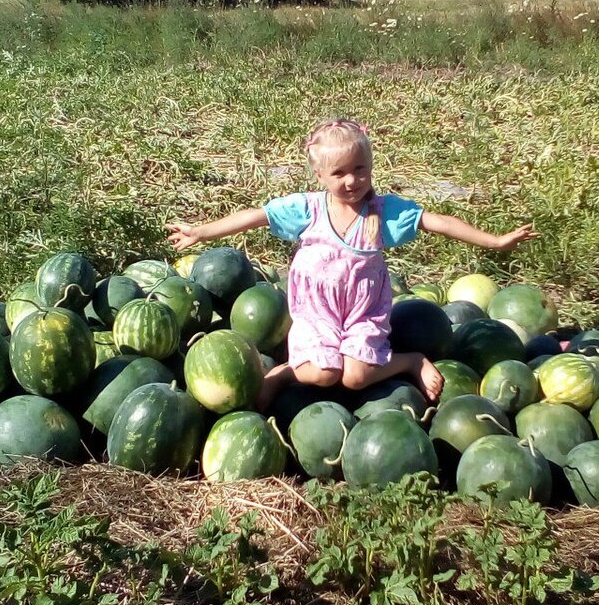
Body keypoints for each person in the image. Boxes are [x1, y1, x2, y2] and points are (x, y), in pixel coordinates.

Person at [165, 117, 538, 407]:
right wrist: (201, 232)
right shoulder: (308, 209)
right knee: (323, 374)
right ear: (320, 175)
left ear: (371, 165)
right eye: (339, 173)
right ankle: (284, 373)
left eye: (359, 168)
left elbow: (437, 222)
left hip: (364, 312)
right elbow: (255, 215)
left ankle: (409, 360)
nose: (351, 180)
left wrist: (495, 241)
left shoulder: (383, 212)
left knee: (355, 377)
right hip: (316, 310)